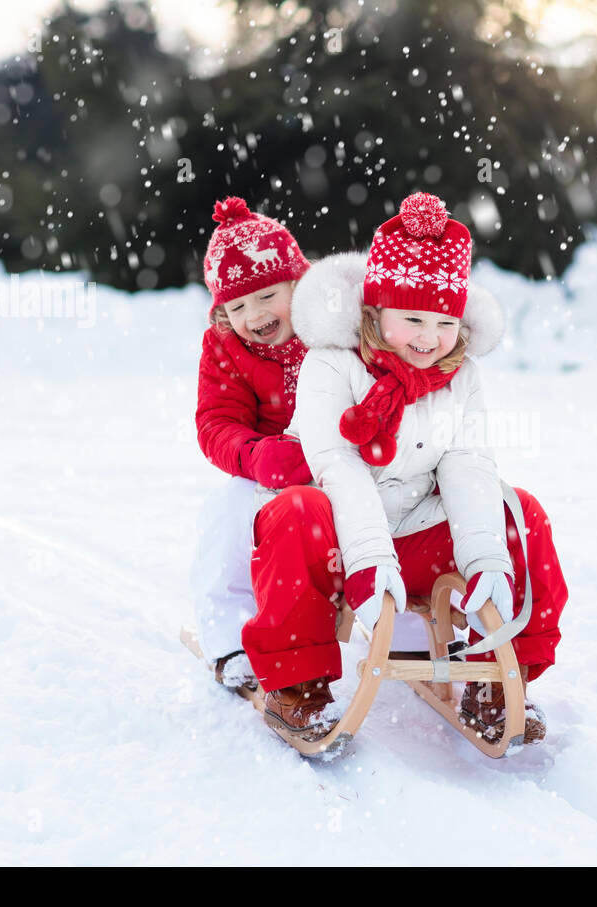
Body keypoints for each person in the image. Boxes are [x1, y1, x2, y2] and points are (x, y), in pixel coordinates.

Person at [242, 192, 569, 744]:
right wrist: (368, 559)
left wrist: (485, 553)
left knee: (521, 512)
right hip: (340, 546)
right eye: (412, 318)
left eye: (444, 321)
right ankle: (297, 686)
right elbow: (336, 463)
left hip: (415, 535)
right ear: (375, 312)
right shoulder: (330, 363)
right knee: (293, 511)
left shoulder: (458, 375)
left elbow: (467, 462)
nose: (427, 337)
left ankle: (500, 674)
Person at [189, 196, 313, 689]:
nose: (254, 315)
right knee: (230, 513)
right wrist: (256, 456)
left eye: (266, 296)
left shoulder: (330, 328)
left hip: (340, 464)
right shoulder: (225, 347)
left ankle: (411, 630)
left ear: (297, 285)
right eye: (237, 306)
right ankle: (228, 633)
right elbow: (216, 421)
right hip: (269, 473)